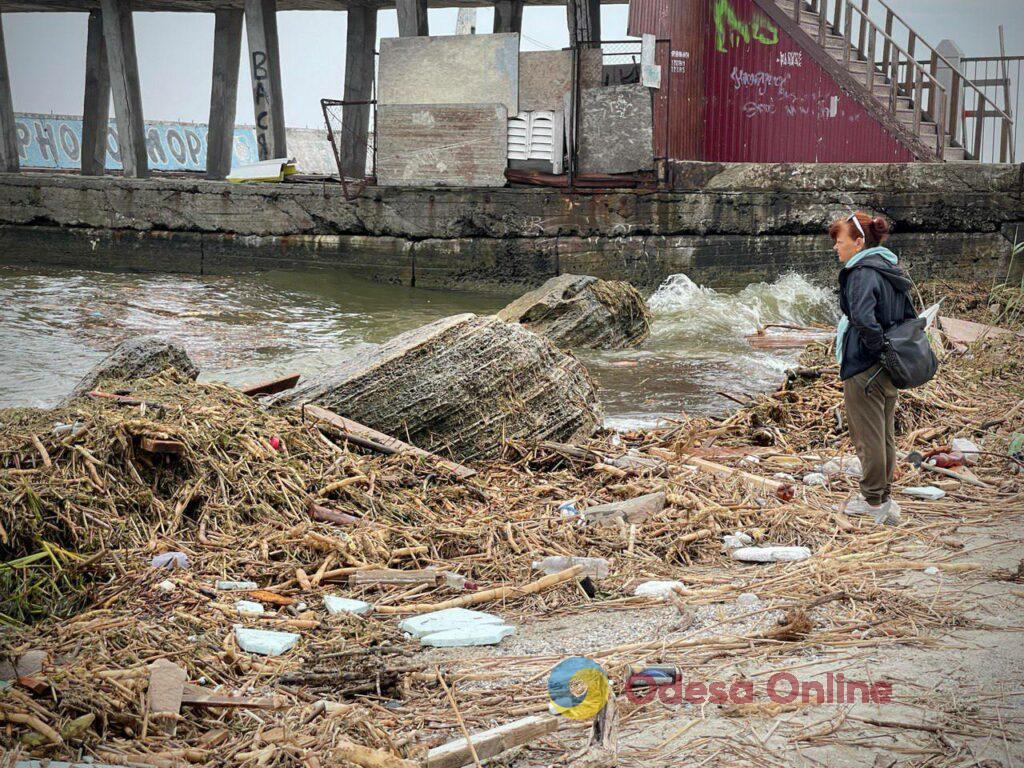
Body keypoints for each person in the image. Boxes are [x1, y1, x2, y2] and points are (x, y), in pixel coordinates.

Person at [831, 211, 916, 525]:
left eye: (840, 242)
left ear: (858, 242)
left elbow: (865, 320)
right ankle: (884, 497)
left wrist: (876, 351)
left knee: (868, 437)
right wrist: (889, 355)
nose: (836, 249)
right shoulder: (890, 267)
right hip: (889, 366)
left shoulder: (861, 272)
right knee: (884, 434)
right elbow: (907, 316)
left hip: (867, 367)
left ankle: (872, 500)